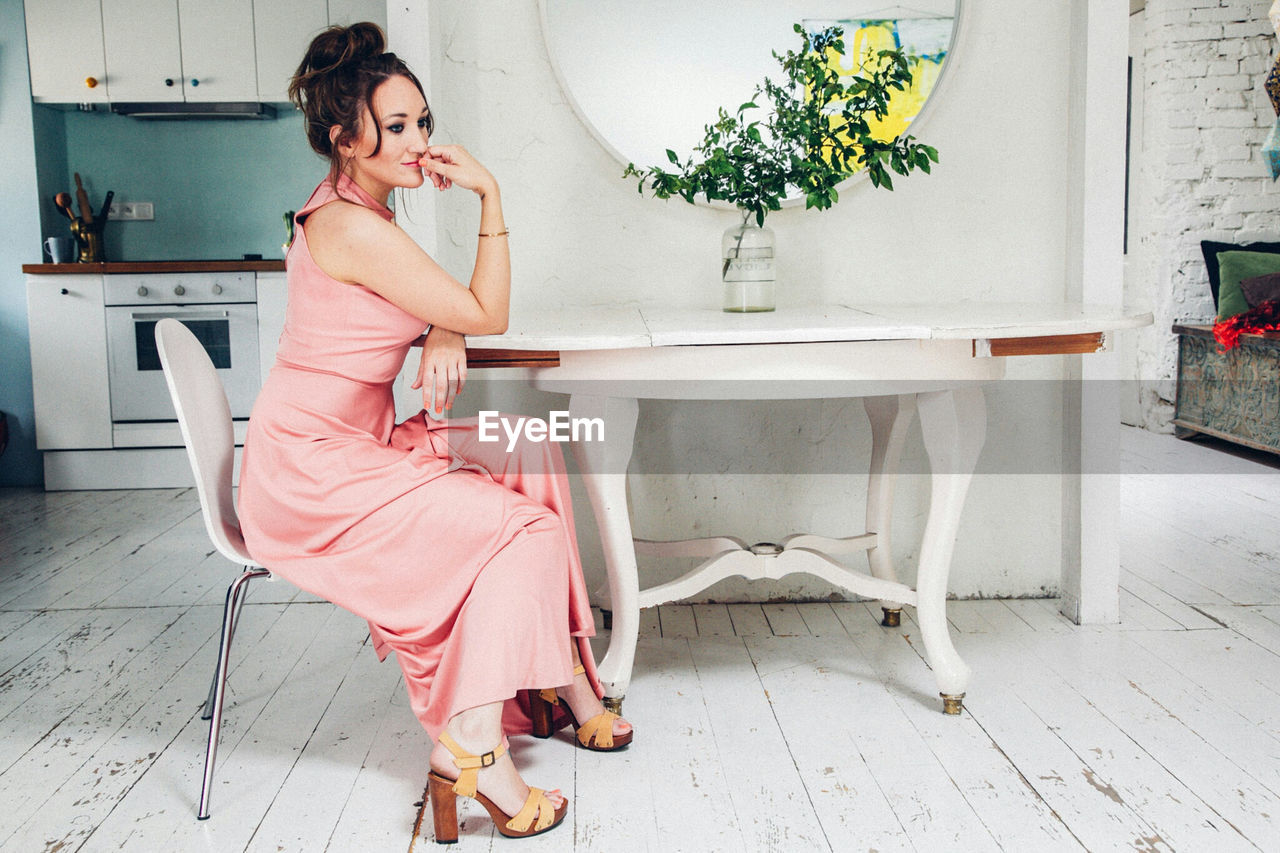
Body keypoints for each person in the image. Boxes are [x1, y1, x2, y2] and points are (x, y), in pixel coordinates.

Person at [236, 22, 631, 842]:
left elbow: (409, 311)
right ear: (345, 141)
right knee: (520, 530)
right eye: (400, 126)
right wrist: (489, 196)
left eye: (424, 120)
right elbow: (487, 309)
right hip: (314, 475)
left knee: (524, 444)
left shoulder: (356, 211)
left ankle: (562, 684)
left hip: (353, 444)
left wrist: (439, 330)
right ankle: (476, 743)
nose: (422, 142)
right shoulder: (354, 227)